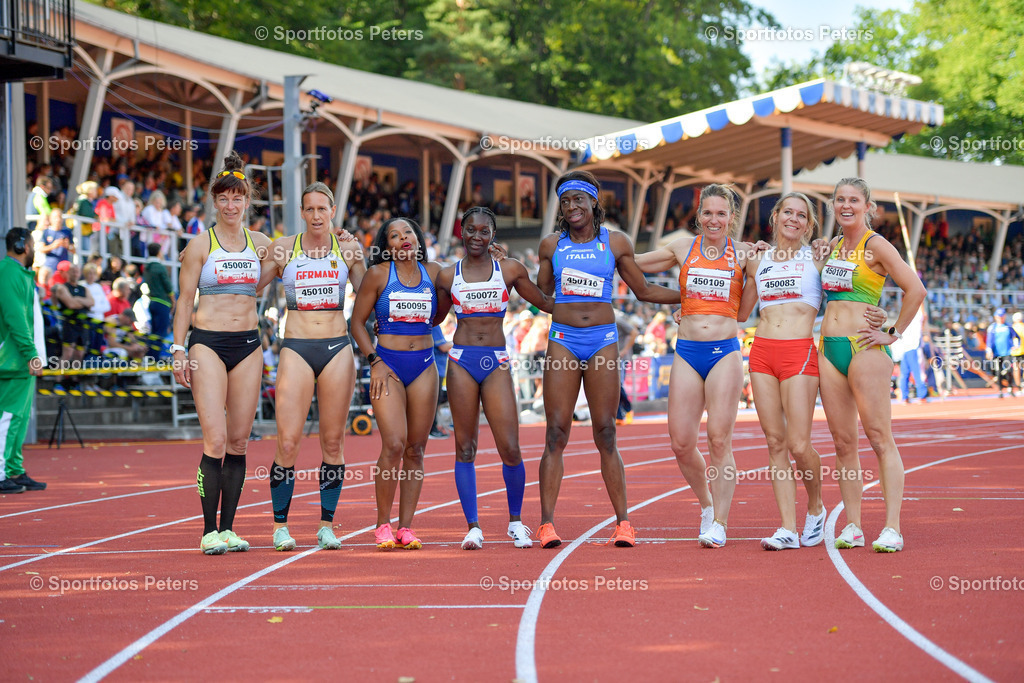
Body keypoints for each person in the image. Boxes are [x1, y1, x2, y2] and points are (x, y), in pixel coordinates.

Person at [534, 170, 679, 549]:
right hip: (563, 341)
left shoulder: (614, 242)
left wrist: (688, 296)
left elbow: (644, 289)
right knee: (555, 432)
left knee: (606, 431)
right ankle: (546, 524)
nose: (572, 207)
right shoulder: (551, 244)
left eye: (579, 199)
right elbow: (543, 293)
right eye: (565, 202)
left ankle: (624, 523)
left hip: (601, 341)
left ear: (594, 201)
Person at [743, 193, 886, 550]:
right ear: (775, 217)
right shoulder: (756, 259)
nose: (793, 218)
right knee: (775, 442)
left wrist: (881, 316)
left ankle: (817, 506)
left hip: (799, 353)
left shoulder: (821, 255)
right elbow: (739, 311)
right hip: (761, 352)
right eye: (787, 212)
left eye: (801, 215)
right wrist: (691, 314)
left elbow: (851, 289)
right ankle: (787, 528)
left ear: (809, 224)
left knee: (798, 443)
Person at [636, 183, 760, 549]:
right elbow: (632, 264)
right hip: (687, 350)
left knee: (719, 439)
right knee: (680, 441)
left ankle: (720, 521)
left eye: (722, 213)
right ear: (699, 216)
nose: (714, 219)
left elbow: (746, 310)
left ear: (732, 218)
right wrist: (595, 245)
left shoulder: (744, 254)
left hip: (724, 351)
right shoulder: (681, 248)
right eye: (708, 212)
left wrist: (764, 260)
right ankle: (707, 504)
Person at [433, 206, 553, 550]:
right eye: (470, 229)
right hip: (461, 361)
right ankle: (473, 526)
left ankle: (516, 522)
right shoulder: (446, 275)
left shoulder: (510, 269)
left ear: (493, 235)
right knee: (465, 447)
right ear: (462, 232)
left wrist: (589, 308)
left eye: (484, 231)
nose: (477, 236)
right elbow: (434, 317)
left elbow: (544, 301)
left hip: (496, 361)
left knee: (510, 448)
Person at [171, 152, 272, 555]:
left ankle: (228, 529)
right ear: (215, 202)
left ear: (248, 202)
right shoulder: (199, 245)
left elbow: (304, 250)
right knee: (214, 440)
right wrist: (178, 350)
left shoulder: (263, 244)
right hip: (207, 343)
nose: (231, 206)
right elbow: (183, 301)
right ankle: (207, 531)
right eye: (224, 199)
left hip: (248, 345)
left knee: (239, 441)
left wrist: (346, 240)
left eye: (238, 198)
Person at [257, 182, 366, 551]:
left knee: (333, 442)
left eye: (323, 209)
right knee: (287, 441)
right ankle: (280, 527)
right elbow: (251, 286)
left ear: (332, 211)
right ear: (301, 213)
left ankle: (326, 525)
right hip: (297, 347)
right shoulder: (283, 248)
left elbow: (369, 294)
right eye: (310, 209)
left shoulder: (348, 248)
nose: (316, 215)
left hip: (337, 346)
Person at [819, 177, 926, 553]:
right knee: (843, 442)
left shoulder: (875, 244)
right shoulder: (832, 246)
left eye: (853, 200)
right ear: (833, 205)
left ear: (868, 207)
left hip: (864, 347)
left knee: (880, 439)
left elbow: (916, 289)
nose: (845, 206)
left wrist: (892, 331)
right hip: (828, 349)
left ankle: (892, 527)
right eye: (839, 200)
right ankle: (852, 526)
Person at [350, 217, 444, 550]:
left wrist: (494, 256)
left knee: (416, 449)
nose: (403, 238)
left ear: (418, 239)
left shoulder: (435, 273)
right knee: (393, 444)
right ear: (386, 245)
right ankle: (382, 524)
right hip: (387, 366)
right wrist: (373, 360)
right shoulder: (378, 275)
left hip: (425, 367)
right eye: (394, 235)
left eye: (408, 233)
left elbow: (454, 298)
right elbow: (357, 323)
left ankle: (406, 527)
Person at [0, 228, 47, 493]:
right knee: (8, 417)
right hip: (14, 358)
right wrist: (32, 354)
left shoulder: (19, 274)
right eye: (32, 245)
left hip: (20, 359)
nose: (34, 250)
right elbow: (15, 318)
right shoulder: (9, 272)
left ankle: (14, 470)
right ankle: (2, 472)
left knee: (18, 418)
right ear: (22, 246)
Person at [143, 241, 175, 354]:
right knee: (161, 333)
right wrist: (173, 301)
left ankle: (150, 358)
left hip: (152, 302)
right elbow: (168, 286)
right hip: (162, 302)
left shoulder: (146, 267)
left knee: (154, 332)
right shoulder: (160, 267)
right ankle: (155, 360)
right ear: (158, 252)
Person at [895, 305, 928, 403]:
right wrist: (921, 302)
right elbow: (924, 315)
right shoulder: (915, 315)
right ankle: (922, 395)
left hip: (904, 348)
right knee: (917, 371)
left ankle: (904, 397)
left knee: (904, 373)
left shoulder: (904, 316)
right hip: (912, 346)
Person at [986, 308, 1020, 397]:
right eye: (998, 317)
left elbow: (1016, 337)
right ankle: (1000, 390)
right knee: (998, 372)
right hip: (997, 353)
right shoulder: (993, 328)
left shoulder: (1008, 327)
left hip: (1007, 353)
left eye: (1002, 316)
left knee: (1009, 370)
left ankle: (1010, 387)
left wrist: (1016, 345)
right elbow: (989, 341)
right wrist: (989, 350)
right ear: (995, 317)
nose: (1000, 318)